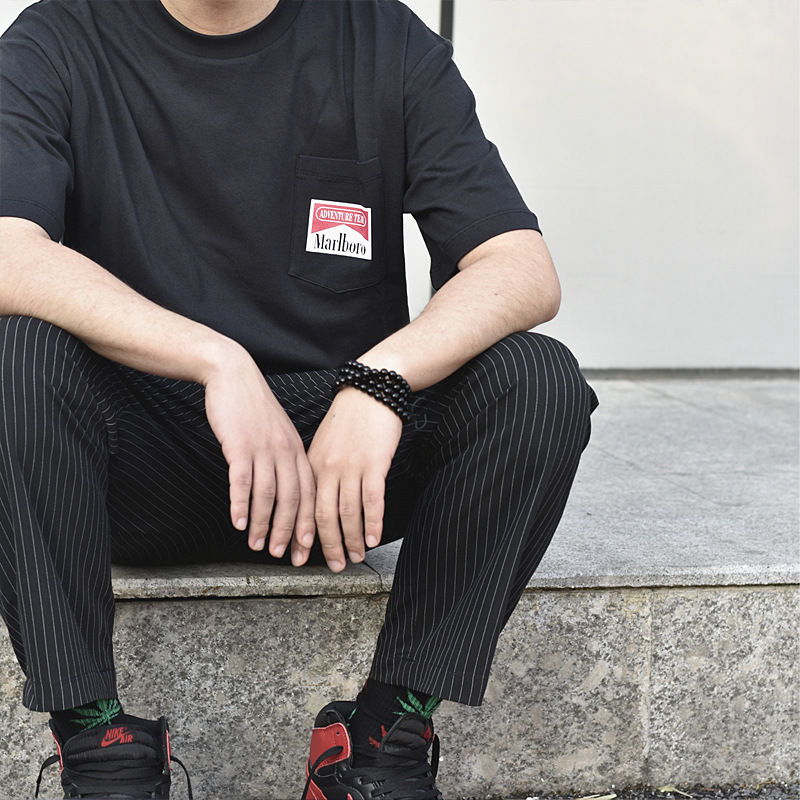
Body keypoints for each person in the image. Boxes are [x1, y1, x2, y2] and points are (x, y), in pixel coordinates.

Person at [0, 0, 598, 797]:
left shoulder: (381, 37)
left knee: (538, 380)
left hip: (336, 480)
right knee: (15, 355)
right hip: (133, 466)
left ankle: (379, 746)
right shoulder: (57, 39)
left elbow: (520, 267)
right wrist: (217, 360)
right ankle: (99, 748)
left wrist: (379, 380)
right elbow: (8, 251)